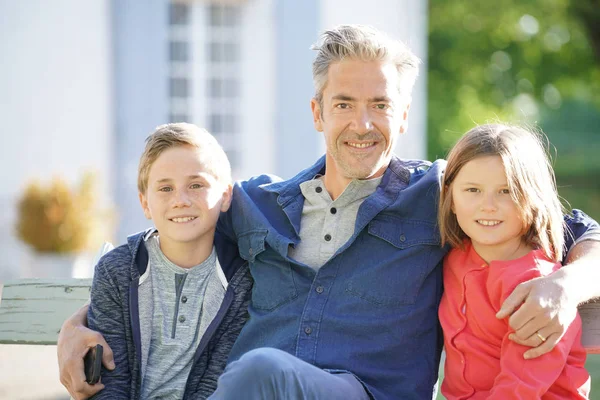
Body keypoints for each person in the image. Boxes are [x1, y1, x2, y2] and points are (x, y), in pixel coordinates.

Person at [58, 25, 600, 400]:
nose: (362, 124)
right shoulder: (255, 204)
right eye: (344, 104)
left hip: (361, 391)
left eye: (380, 105)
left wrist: (568, 285)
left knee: (262, 370)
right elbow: (152, 245)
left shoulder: (445, 191)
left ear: (403, 114)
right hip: (254, 391)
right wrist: (77, 323)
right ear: (318, 112)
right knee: (259, 372)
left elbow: (568, 224)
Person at [85, 123, 252, 399]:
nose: (180, 200)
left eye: (196, 185)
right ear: (145, 203)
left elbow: (216, 383)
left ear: (225, 195)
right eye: (165, 189)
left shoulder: (240, 279)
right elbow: (110, 381)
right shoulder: (117, 271)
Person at [437, 123, 590, 399]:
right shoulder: (454, 257)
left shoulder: (534, 287)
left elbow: (519, 388)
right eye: (472, 190)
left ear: (533, 199)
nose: (488, 205)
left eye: (506, 191)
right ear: (450, 197)